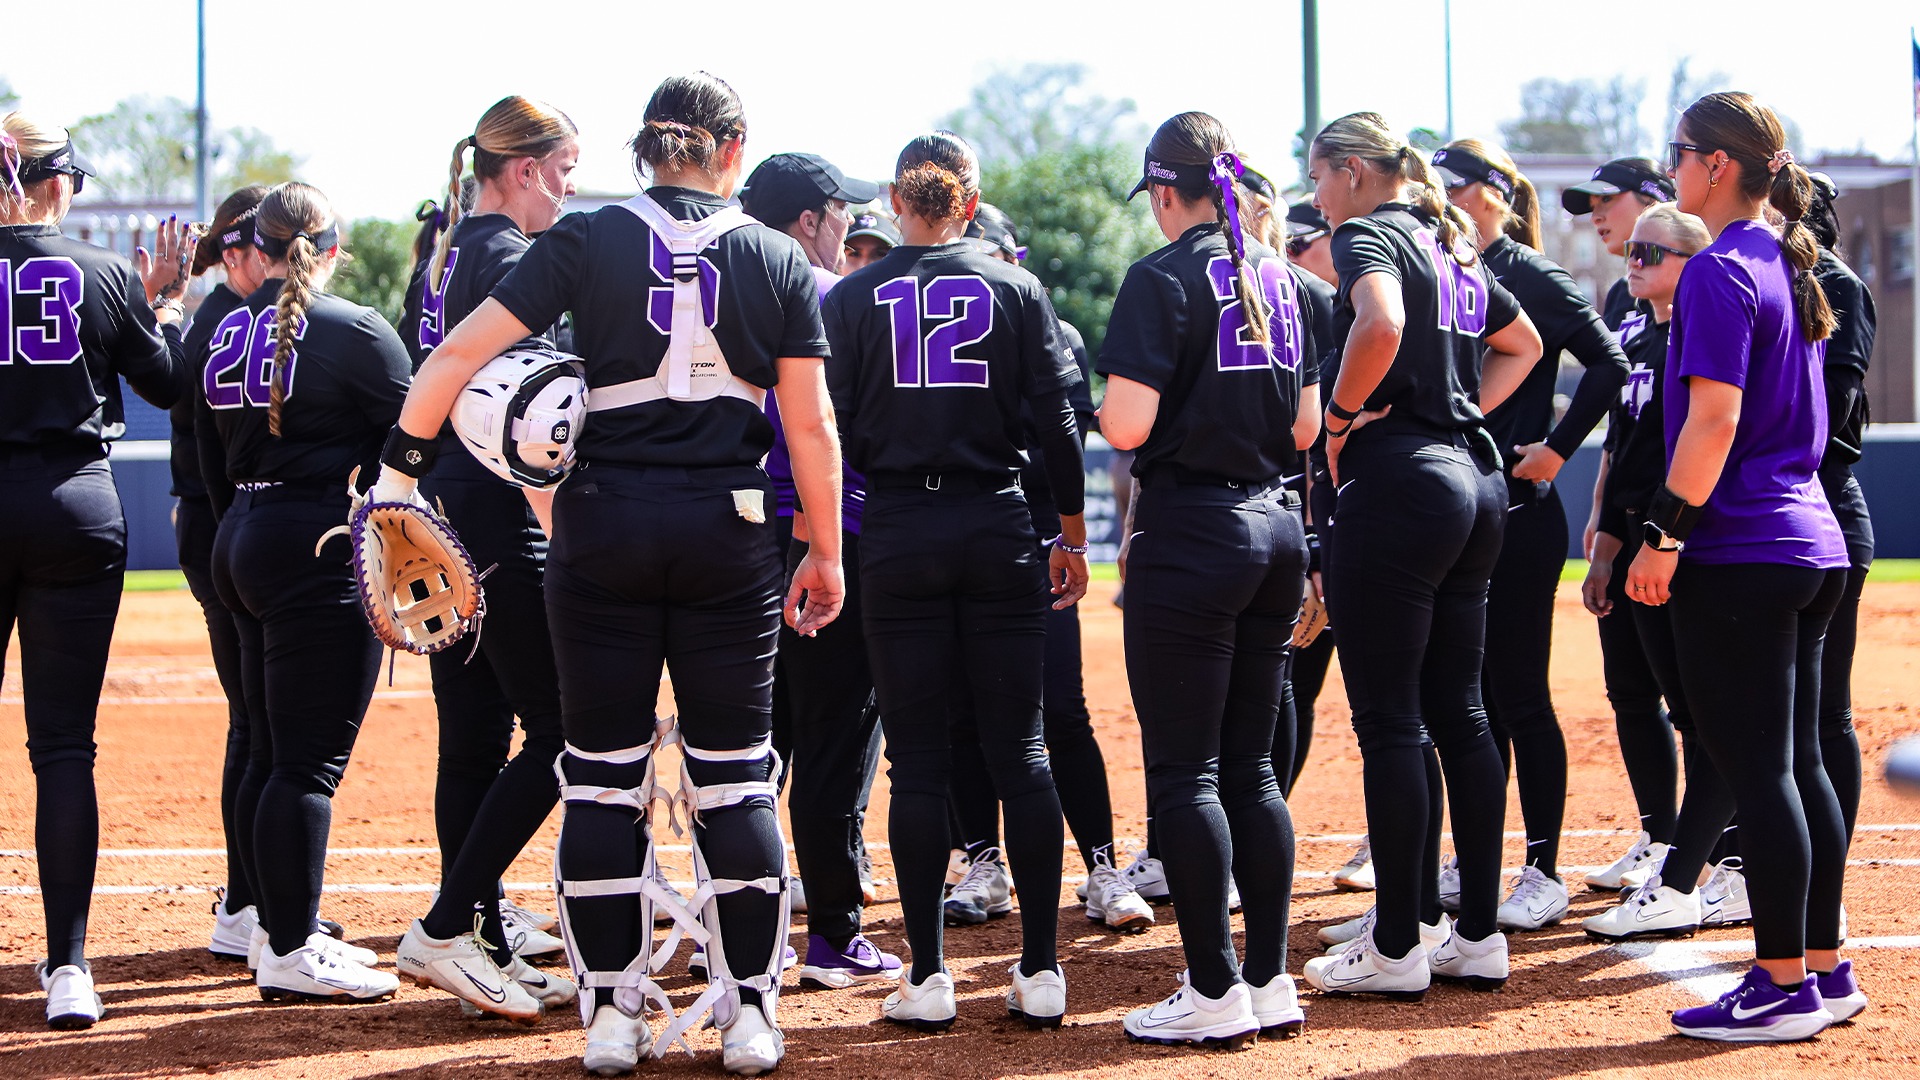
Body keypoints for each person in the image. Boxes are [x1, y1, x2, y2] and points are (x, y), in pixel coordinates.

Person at [385, 72, 844, 1076]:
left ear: (643, 148)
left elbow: (456, 357)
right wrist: (825, 548)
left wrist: (397, 475)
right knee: (736, 782)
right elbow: (809, 424)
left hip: (600, 532)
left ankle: (610, 1018)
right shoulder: (774, 254)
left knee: (599, 783)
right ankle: (750, 1015)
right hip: (728, 532)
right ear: (732, 149)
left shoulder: (584, 238)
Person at [823, 131, 1089, 1034]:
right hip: (998, 520)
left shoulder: (853, 293)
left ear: (898, 204)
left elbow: (831, 425)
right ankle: (1042, 968)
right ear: (969, 205)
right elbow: (1058, 424)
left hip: (899, 526)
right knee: (1023, 751)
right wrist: (1071, 534)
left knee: (921, 757)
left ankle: (929, 974)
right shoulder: (1016, 287)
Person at [1626, 92, 1858, 1042]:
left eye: (1680, 152)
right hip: (1808, 543)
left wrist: (1664, 535)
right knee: (1796, 766)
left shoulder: (1722, 268)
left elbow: (1714, 420)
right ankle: (1824, 970)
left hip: (1742, 547)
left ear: (1718, 165)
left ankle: (1781, 984)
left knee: (1760, 773)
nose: (1672, 167)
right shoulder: (1783, 259)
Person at [1298, 111, 1542, 1002]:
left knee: (1393, 721)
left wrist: (1338, 420)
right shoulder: (1453, 241)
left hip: (1402, 484)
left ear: (1354, 172)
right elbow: (1524, 344)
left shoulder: (1369, 233)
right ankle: (1475, 935)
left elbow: (1382, 323)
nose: (1317, 195)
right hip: (1476, 480)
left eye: (1319, 176)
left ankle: (1397, 944)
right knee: (1462, 713)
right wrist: (1457, 407)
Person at [1098, 112, 1319, 1047]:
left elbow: (1125, 426)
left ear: (1163, 191)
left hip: (1194, 531)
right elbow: (1306, 430)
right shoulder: (1281, 274)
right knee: (1252, 769)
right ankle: (1268, 982)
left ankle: (1214, 990)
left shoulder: (1160, 276)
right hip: (1274, 527)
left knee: (1185, 772)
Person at [393, 94, 582, 1022]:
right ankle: (445, 926)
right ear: (525, 170)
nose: (569, 190)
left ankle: (484, 941)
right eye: (566, 172)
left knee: (471, 738)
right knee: (559, 733)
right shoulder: (513, 256)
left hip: (443, 517)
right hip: (498, 518)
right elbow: (529, 421)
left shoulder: (443, 252)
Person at [196, 181, 408, 1004]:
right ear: (332, 245)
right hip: (312, 543)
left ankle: (268, 926)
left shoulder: (224, 326)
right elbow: (417, 432)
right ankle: (289, 948)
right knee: (306, 765)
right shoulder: (354, 327)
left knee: (267, 750)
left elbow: (210, 459)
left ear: (262, 245)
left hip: (241, 535)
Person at [1, 113, 188, 1029]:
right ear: (58, 181)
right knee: (64, 746)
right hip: (74, 503)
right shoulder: (103, 272)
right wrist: (159, 303)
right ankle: (70, 967)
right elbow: (167, 383)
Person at [941, 202, 1154, 935]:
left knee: (1061, 706)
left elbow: (1056, 448)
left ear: (1015, 260)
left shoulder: (1051, 332)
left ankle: (1101, 865)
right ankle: (983, 861)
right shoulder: (925, 337)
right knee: (964, 709)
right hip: (960, 538)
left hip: (1035, 539)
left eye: (991, 254)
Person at [1433, 139, 1628, 931]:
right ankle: (1475, 858)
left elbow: (1609, 364)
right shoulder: (1447, 267)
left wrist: (1557, 447)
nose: (1442, 196)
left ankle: (1543, 869)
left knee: (1517, 696)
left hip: (1519, 511)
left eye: (1454, 185)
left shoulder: (1530, 274)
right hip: (1463, 509)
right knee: (1469, 698)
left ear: (1494, 192)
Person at [739, 150, 903, 989]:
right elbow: (823, 432)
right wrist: (819, 537)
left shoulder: (722, 292)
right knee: (835, 738)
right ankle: (834, 935)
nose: (848, 224)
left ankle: (745, 935)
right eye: (841, 211)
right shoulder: (832, 296)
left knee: (749, 748)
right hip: (823, 535)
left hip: (734, 541)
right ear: (808, 220)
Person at [1577, 206, 1747, 942]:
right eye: (1633, 250)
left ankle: (1723, 862)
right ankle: (1686, 853)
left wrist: (1659, 537)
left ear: (1692, 261)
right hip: (1639, 533)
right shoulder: (1636, 335)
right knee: (1672, 705)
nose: (1634, 261)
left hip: (1682, 540)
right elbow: (1625, 446)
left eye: (1652, 251)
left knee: (1709, 714)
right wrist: (1606, 538)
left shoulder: (1704, 332)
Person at [1564, 157, 1688, 885]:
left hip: (1680, 522)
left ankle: (1711, 848)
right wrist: (1602, 516)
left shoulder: (1700, 291)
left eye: (1607, 201)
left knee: (1693, 699)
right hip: (1627, 510)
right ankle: (1660, 836)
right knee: (1631, 689)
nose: (1597, 216)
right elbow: (1622, 423)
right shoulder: (1621, 298)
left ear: (1656, 200)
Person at [180, 185, 274, 962]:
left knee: (257, 722)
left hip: (221, 530)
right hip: (225, 528)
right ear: (237, 249)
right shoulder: (224, 321)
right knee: (257, 724)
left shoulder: (225, 317)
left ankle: (253, 900)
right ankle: (247, 903)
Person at [1805, 171, 1874, 854]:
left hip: (1825, 511)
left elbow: (1835, 417)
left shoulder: (1838, 285)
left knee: (1826, 710)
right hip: (1778, 513)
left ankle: (1829, 880)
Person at [1562, 157, 1676, 330]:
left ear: (1651, 201)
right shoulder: (1621, 292)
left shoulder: (1694, 279)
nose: (1595, 217)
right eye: (1593, 207)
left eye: (1606, 199)